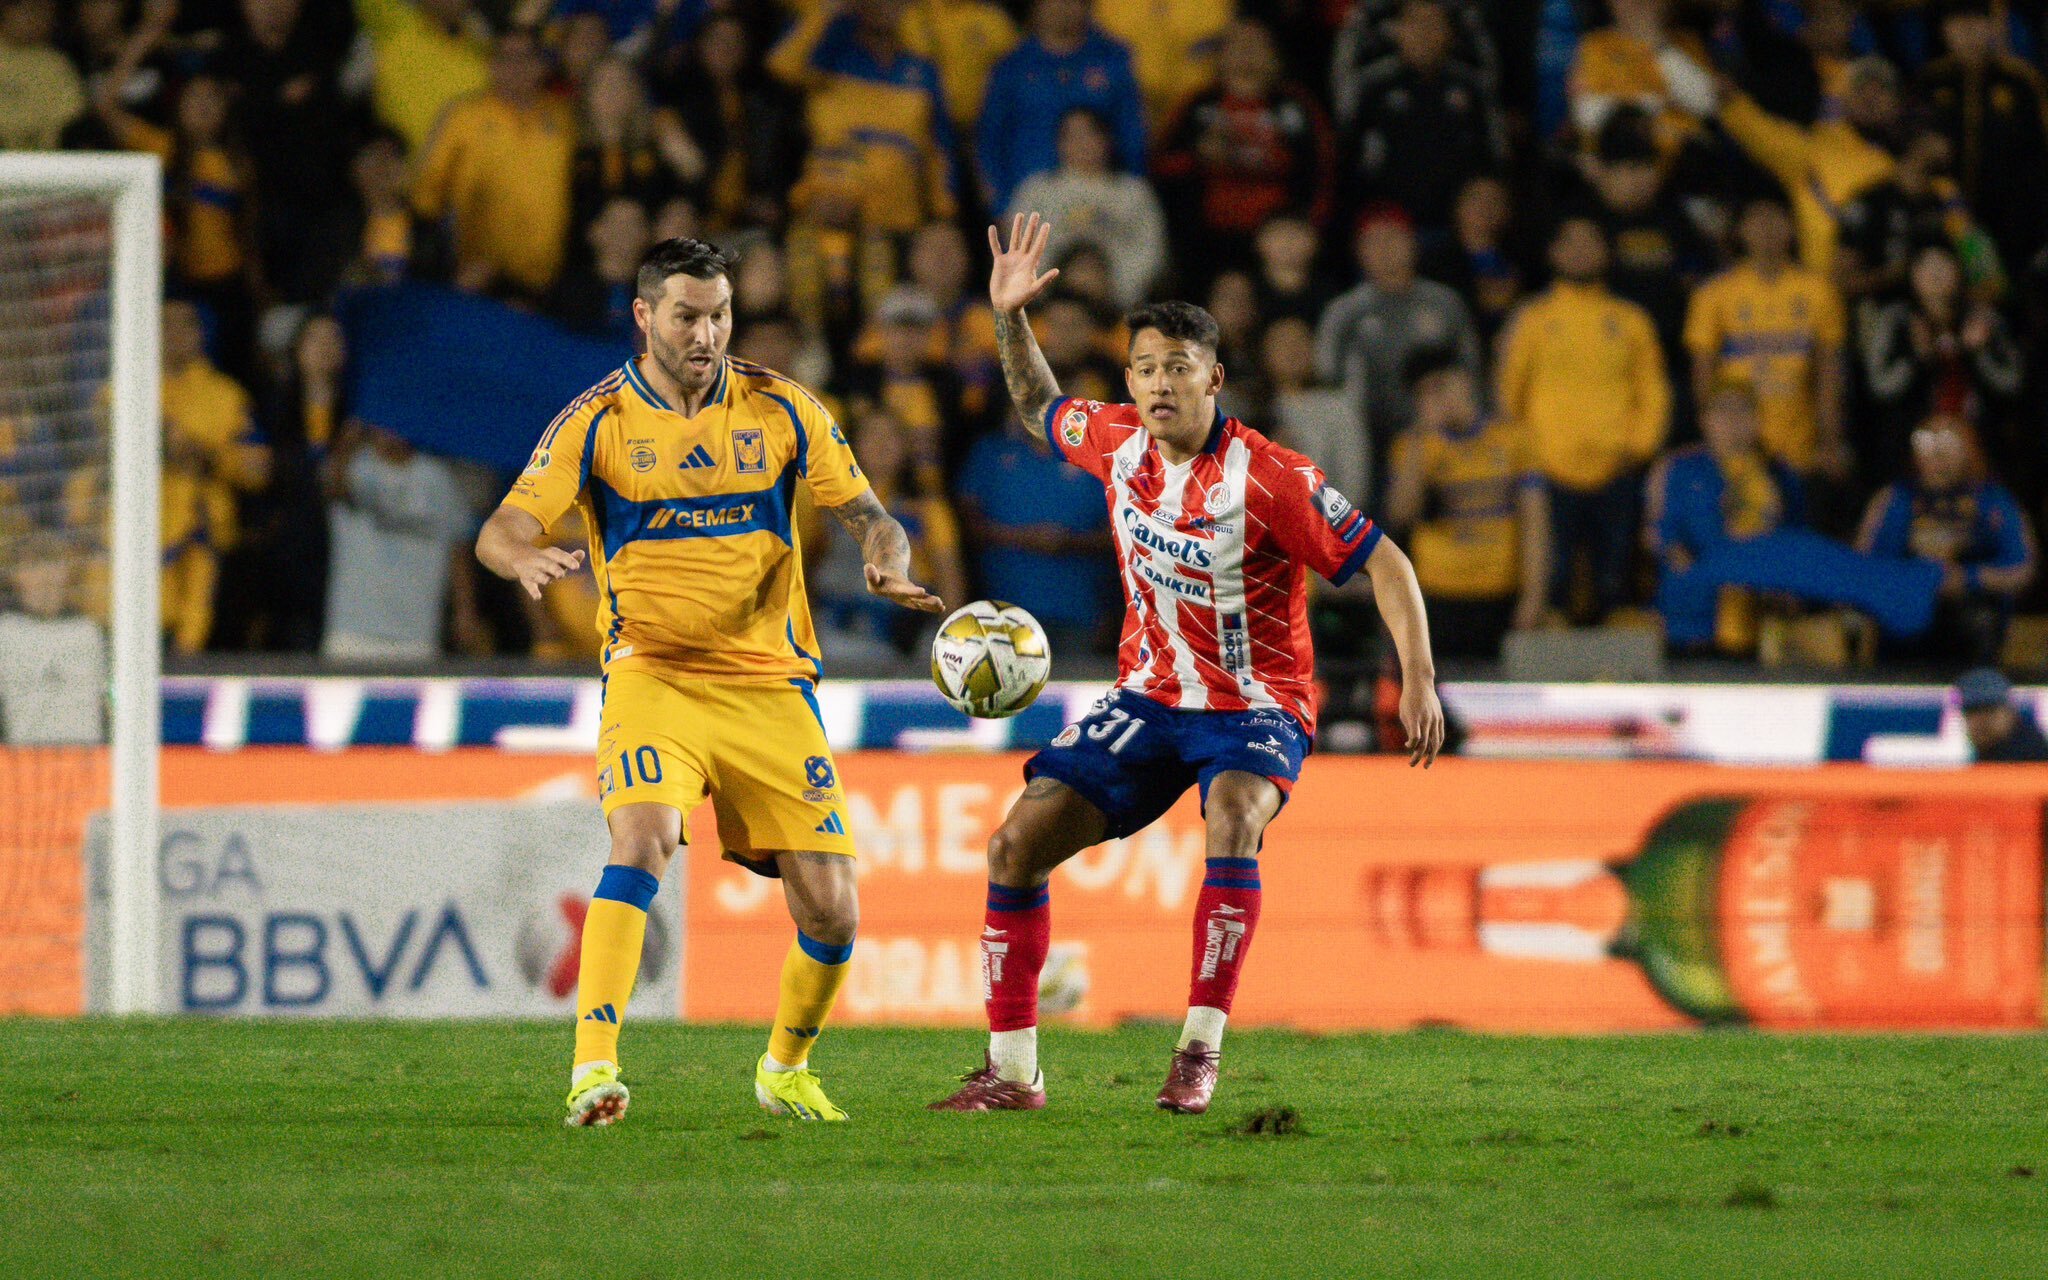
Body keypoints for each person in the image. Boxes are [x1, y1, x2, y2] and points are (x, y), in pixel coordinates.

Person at [930, 214, 1443, 1116]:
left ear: (1215, 377)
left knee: (1235, 813)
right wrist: (1009, 316)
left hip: (1255, 704)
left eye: (1179, 367)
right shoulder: (1116, 440)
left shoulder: (1273, 477)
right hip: (1148, 699)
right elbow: (1036, 406)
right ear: (1128, 379)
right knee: (1014, 845)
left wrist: (1422, 681)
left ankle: (1198, 1054)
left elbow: (1387, 562)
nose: (1160, 383)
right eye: (1145, 367)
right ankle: (1012, 1073)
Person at [474, 238, 944, 1127]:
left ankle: (785, 1069)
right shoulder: (600, 421)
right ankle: (594, 1069)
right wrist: (523, 557)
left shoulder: (779, 407)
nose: (707, 332)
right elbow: (499, 526)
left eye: (720, 314)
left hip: (771, 683)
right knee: (643, 838)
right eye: (687, 315)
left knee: (835, 914)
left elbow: (871, 515)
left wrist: (886, 560)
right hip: (654, 673)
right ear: (645, 316)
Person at [1498, 217, 1669, 622]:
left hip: (1618, 466)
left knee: (1616, 574)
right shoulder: (1533, 319)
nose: (1580, 251)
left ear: (1606, 251)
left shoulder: (1630, 320)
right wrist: (1526, 456)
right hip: (1548, 469)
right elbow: (1510, 393)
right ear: (1553, 252)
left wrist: (1639, 448)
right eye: (1569, 242)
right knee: (1553, 574)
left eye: (1590, 241)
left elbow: (1652, 390)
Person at [1386, 346, 1549, 659]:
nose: (1439, 397)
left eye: (1443, 384)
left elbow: (1535, 523)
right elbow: (1401, 514)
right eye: (1425, 393)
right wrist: (1422, 437)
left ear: (1466, 381)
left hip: (1499, 591)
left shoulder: (1514, 440)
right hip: (1437, 593)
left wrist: (1533, 597)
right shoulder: (1412, 447)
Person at [1315, 205, 1480, 504]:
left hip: (1438, 439)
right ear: (1359, 251)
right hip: (1367, 445)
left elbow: (1470, 372)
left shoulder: (1444, 303)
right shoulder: (1344, 313)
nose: (1385, 249)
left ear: (1413, 243)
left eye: (1394, 238)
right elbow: (1327, 383)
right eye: (1373, 241)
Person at [1683, 196, 1848, 481]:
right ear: (1741, 230)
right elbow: (1703, 373)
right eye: (1757, 220)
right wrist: (1710, 437)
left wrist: (1830, 440)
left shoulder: (1819, 291)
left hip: (1799, 449)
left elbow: (1829, 372)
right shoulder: (1714, 294)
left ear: (1792, 228)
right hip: (1735, 450)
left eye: (1776, 219)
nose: (1767, 229)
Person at [1856, 414, 2036, 666]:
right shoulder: (1893, 500)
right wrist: (1917, 580)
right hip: (1906, 615)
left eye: (1947, 443)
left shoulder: (1993, 501)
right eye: (1927, 442)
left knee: (1978, 619)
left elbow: (2021, 568)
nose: (1936, 454)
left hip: (1971, 615)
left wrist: (1968, 579)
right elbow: (1862, 568)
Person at [411, 27, 577, 299]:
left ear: (541, 65)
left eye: (525, 57)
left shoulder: (564, 117)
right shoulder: (464, 116)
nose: (516, 67)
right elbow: (426, 196)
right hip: (479, 280)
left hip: (551, 284)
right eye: (506, 58)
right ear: (492, 65)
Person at [320, 424, 478, 663]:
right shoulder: (355, 468)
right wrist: (346, 441)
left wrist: (464, 613)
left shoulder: (438, 479)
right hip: (352, 631)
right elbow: (331, 486)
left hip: (416, 634)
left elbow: (458, 549)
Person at [976, 0, 1146, 217]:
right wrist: (1002, 209)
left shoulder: (1114, 59)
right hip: (1027, 206)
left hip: (1104, 205)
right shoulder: (1011, 67)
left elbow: (1132, 135)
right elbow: (990, 142)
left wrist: (1133, 199)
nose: (1061, 6)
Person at [1008, 107, 1167, 311]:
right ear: (1059, 143)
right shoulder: (1037, 191)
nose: (1083, 143)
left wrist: (1115, 290)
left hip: (1118, 305)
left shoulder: (1134, 193)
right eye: (1073, 135)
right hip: (1052, 305)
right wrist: (1055, 290)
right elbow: (1021, 249)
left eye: (1090, 133)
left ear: (1107, 140)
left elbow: (1150, 252)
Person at [1954, 668, 2048, 763]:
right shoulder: (1988, 752)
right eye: (1971, 712)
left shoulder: (2032, 754)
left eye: (1988, 710)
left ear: (2010, 712)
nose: (1980, 720)